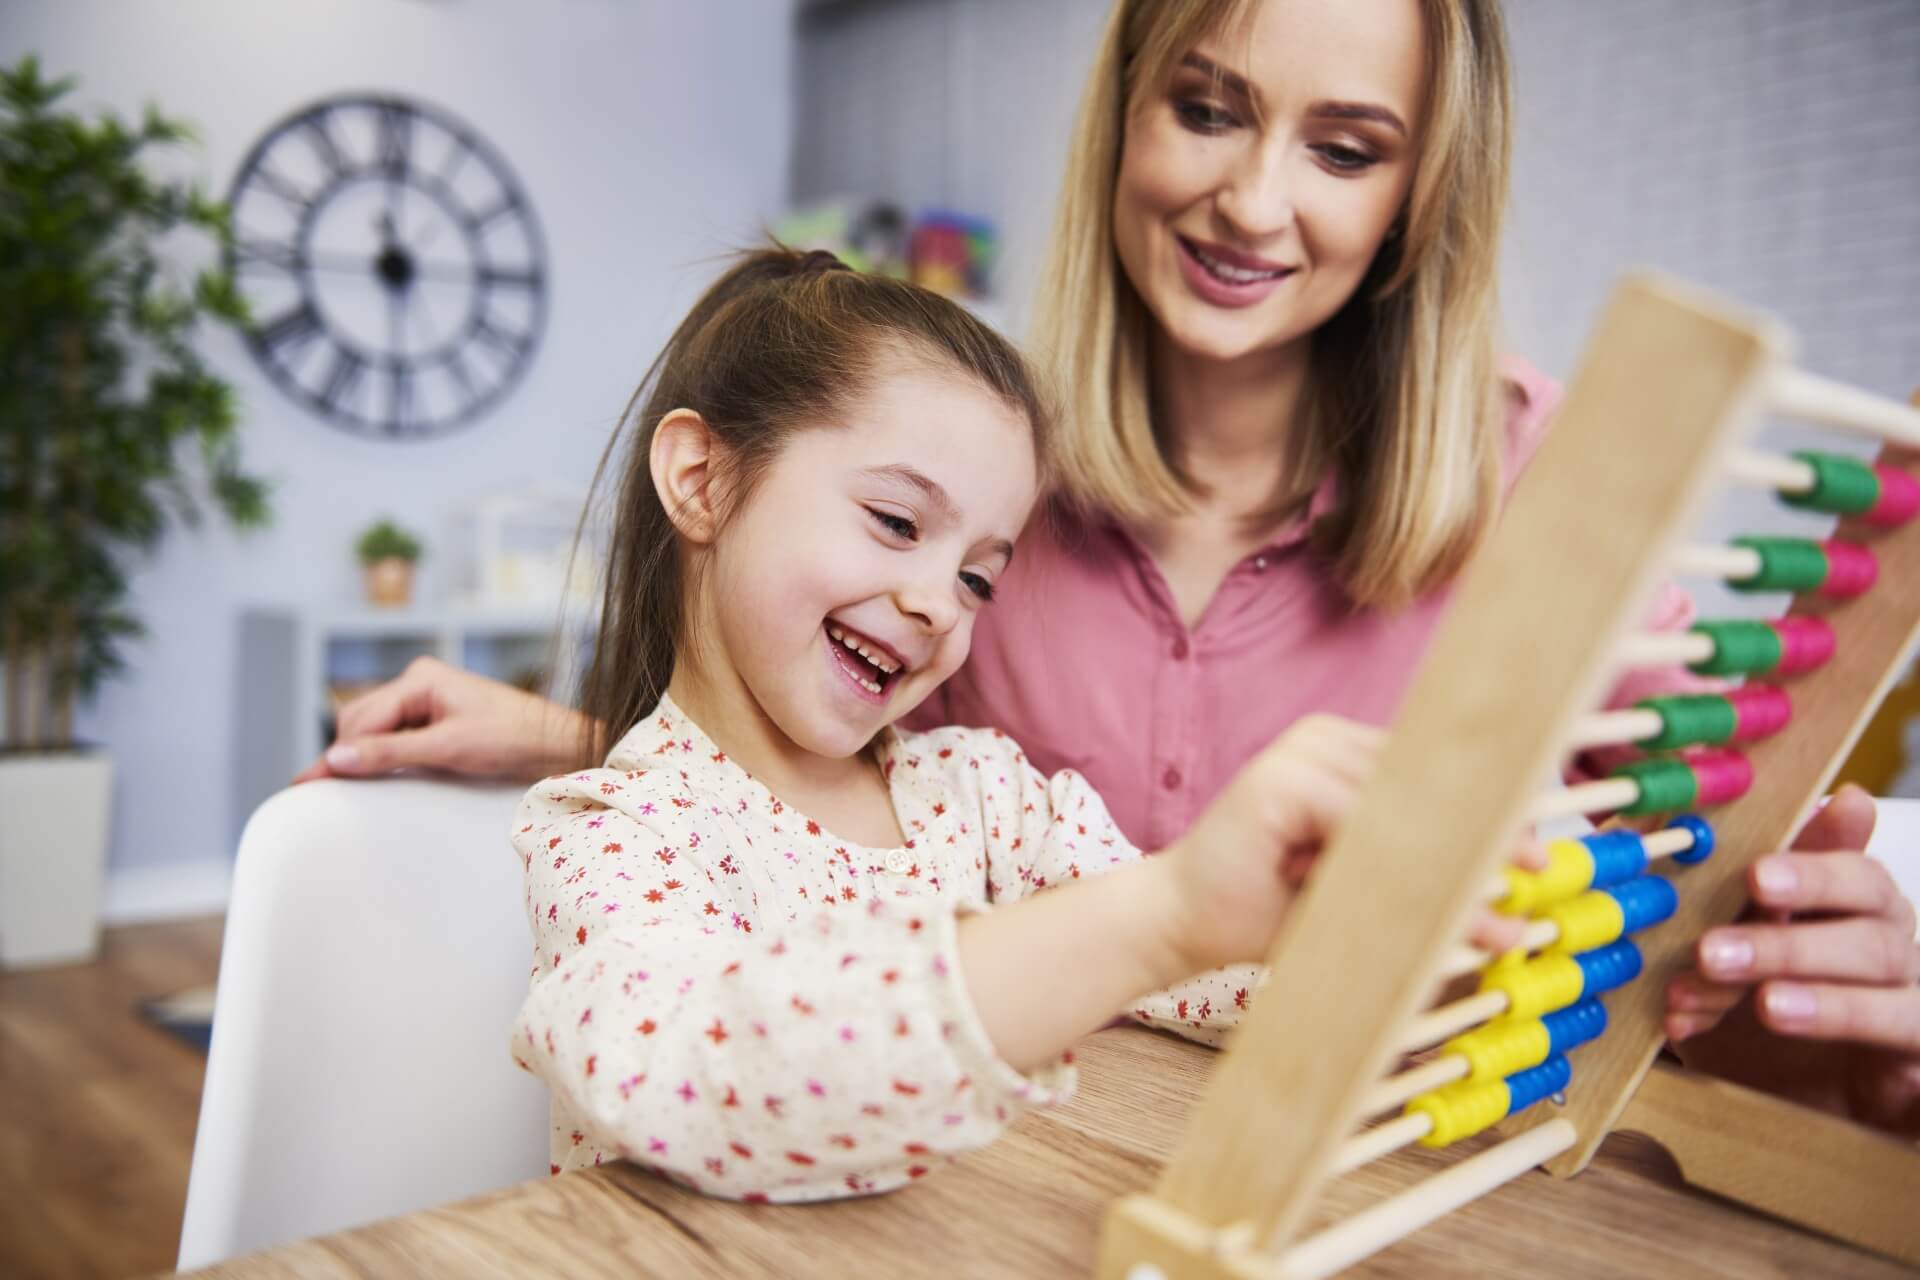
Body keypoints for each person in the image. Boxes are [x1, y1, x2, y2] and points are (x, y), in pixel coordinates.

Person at [303, 0, 1920, 1131]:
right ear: (1126, 117)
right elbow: (825, 839)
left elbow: (1621, 927)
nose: (1253, 196)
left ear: (1423, 196)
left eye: (1346, 146)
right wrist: (596, 740)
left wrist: (1767, 948)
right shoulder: (988, 466)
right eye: (1208, 106)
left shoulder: (1556, 486)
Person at [507, 244, 1499, 1197]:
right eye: (897, 522)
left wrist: (1407, 970)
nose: (941, 602)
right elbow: (694, 1076)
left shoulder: (984, 800)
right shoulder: (613, 832)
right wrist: (1162, 912)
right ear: (701, 478)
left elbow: (1205, 972)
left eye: (979, 574)